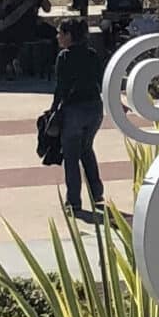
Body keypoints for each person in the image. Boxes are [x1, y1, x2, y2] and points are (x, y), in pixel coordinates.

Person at [47, 19, 107, 220]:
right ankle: (97, 193)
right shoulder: (92, 54)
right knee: (87, 149)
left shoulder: (64, 57)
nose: (58, 37)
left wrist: (53, 110)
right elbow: (101, 81)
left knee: (71, 156)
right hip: (94, 108)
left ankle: (74, 201)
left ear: (69, 35)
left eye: (60, 33)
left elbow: (61, 88)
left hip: (74, 110)